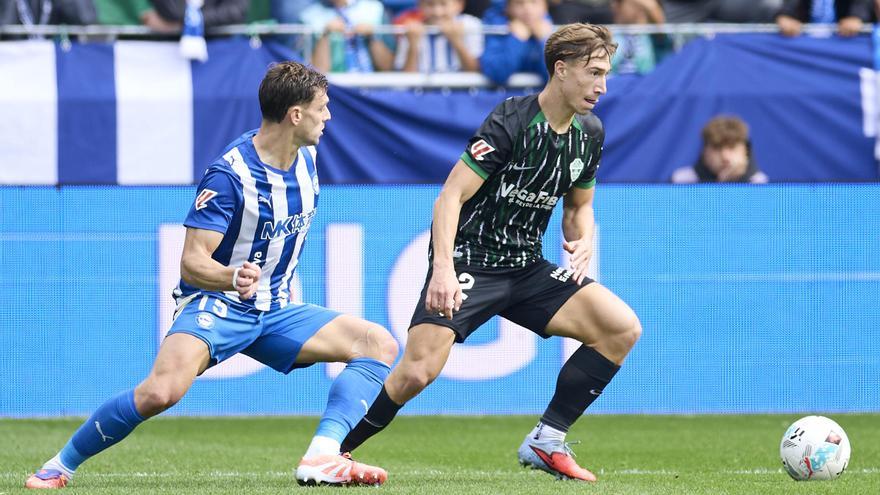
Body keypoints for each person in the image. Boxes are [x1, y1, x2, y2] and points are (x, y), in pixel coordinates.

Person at [24, 61, 399, 490]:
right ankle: (58, 466)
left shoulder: (308, 159)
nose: (328, 116)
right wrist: (230, 276)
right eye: (322, 108)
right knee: (160, 392)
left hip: (275, 308)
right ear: (296, 115)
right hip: (218, 304)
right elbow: (191, 262)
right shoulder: (230, 175)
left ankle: (322, 455)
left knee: (376, 342)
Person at [341, 23, 642, 483]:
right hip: (469, 261)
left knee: (621, 329)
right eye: (593, 72)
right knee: (417, 373)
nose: (602, 86)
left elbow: (580, 208)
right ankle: (335, 450)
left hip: (526, 268)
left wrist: (585, 237)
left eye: (606, 74)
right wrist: (442, 269)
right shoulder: (512, 120)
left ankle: (547, 439)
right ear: (561, 70)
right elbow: (449, 198)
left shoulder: (590, 134)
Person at [301, 0, 394, 73]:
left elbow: (387, 67)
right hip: (332, 89)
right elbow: (315, 73)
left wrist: (373, 37)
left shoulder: (376, 8)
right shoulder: (309, 15)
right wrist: (325, 36)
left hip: (373, 86)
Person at [670, 115, 769, 184]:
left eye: (732, 147)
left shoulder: (760, 183)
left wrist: (741, 181)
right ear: (705, 151)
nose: (725, 157)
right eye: (717, 148)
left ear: (745, 151)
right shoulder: (681, 180)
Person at [393, 0, 484, 73]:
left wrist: (457, 42)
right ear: (420, 5)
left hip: (462, 94)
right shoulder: (412, 30)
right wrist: (413, 46)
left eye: (443, 4)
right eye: (430, 4)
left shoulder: (470, 24)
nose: (437, 12)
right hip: (423, 94)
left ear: (459, 4)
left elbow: (475, 71)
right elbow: (406, 80)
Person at [480, 0, 554, 84]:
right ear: (508, 8)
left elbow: (554, 75)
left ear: (545, 7)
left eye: (534, 2)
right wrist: (516, 40)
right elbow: (496, 73)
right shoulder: (497, 27)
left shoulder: (549, 30)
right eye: (519, 3)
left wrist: (545, 41)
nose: (527, 9)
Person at [776, 0, 871, 37]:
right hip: (806, 42)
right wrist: (785, 16)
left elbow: (861, 7)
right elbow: (787, 11)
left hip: (842, 40)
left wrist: (856, 17)